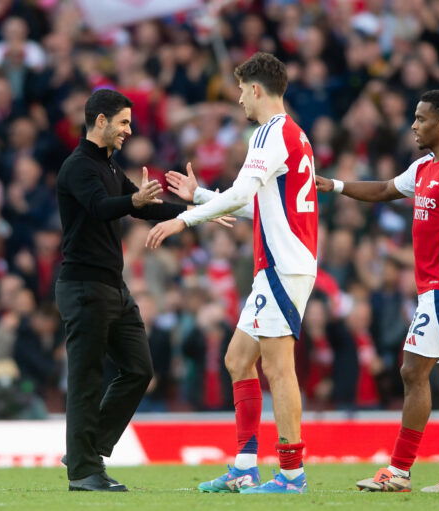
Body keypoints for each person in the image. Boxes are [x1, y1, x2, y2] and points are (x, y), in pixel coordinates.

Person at [146, 52, 318, 494]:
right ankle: (244, 465)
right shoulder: (291, 134)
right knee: (238, 359)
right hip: (279, 266)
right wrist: (201, 195)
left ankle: (292, 474)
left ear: (256, 90)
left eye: (242, 90)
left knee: (279, 369)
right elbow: (258, 204)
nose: (239, 98)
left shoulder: (269, 133)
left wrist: (184, 218)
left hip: (284, 266)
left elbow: (243, 191)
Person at [316, 90, 439, 493]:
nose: (413, 124)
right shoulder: (425, 167)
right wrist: (334, 185)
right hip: (437, 288)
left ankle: (398, 470)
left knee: (413, 370)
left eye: (421, 118)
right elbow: (382, 190)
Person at [55, 89, 189, 492]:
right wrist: (131, 198)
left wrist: (196, 213)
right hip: (83, 287)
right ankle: (83, 471)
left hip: (112, 286)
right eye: (124, 122)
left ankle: (87, 448)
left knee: (139, 369)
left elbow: (141, 208)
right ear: (100, 121)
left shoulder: (108, 166)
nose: (129, 130)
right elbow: (100, 208)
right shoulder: (78, 167)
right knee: (87, 378)